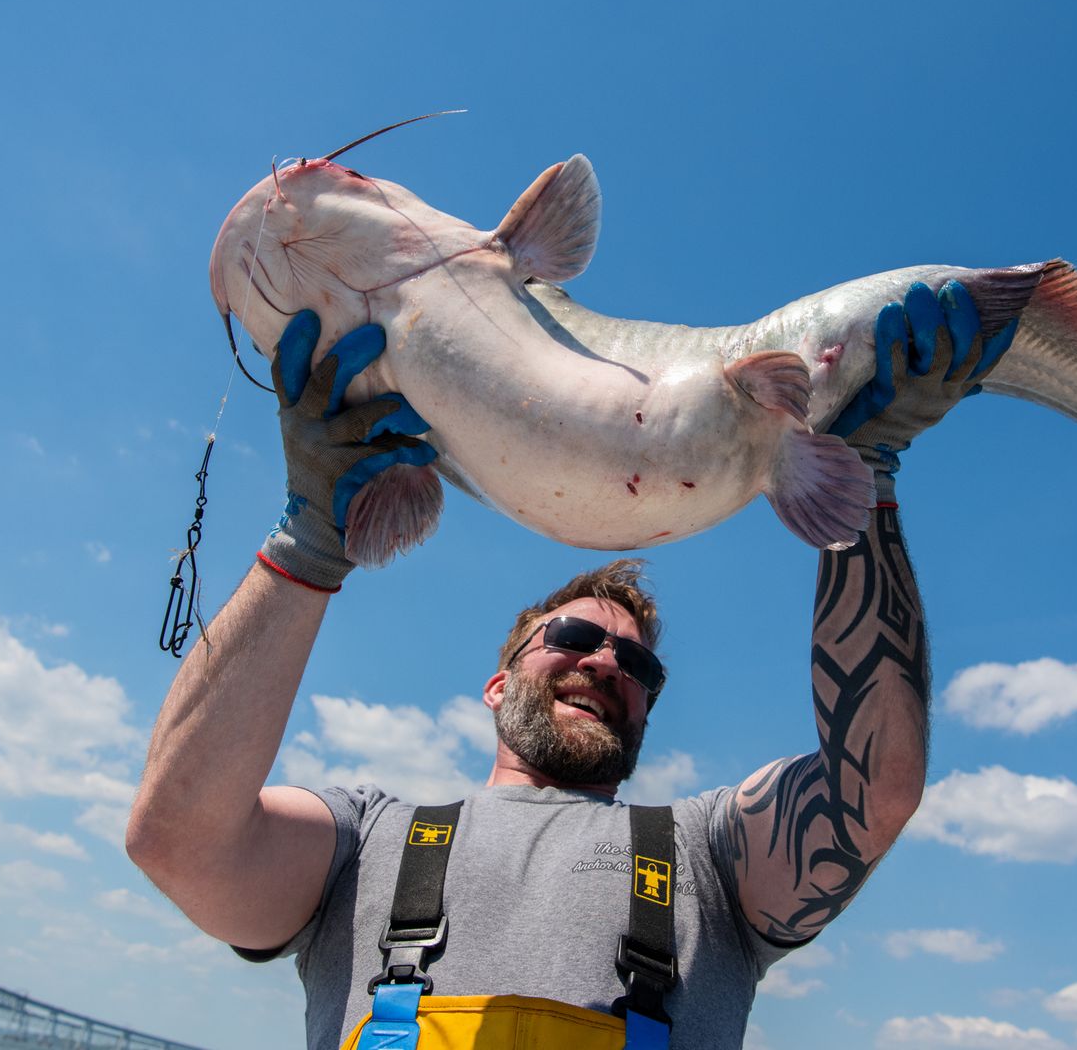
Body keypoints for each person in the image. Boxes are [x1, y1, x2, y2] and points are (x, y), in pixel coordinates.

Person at [127, 281, 1014, 1050]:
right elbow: (180, 840)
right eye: (573, 640)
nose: (606, 663)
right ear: (497, 680)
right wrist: (311, 544)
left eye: (636, 662)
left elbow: (874, 793)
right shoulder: (367, 844)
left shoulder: (710, 859)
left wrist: (863, 480)